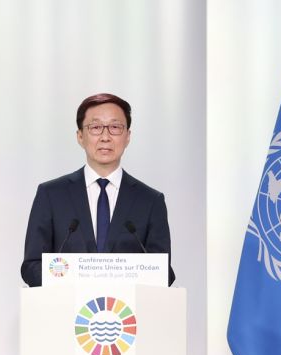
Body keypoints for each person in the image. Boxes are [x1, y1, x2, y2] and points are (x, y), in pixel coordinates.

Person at [21, 93, 176, 287]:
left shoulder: (150, 201)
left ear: (128, 136)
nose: (105, 137)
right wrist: (74, 285)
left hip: (126, 306)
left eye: (115, 127)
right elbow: (32, 265)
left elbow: (162, 271)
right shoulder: (51, 195)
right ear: (80, 136)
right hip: (67, 305)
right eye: (95, 128)